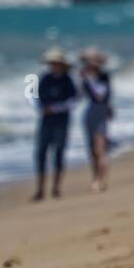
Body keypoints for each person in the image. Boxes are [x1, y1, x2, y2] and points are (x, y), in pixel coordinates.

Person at [32, 48, 77, 201]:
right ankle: (40, 189)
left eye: (56, 63)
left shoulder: (67, 80)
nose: (53, 65)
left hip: (61, 121)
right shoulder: (45, 78)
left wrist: (55, 108)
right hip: (46, 120)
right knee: (41, 153)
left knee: (59, 152)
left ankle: (56, 188)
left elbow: (73, 101)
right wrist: (41, 108)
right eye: (51, 63)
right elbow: (34, 97)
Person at [78, 48, 114, 192]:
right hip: (90, 111)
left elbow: (101, 95)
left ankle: (101, 180)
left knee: (100, 149)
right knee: (92, 150)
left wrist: (88, 79)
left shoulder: (103, 76)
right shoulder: (83, 77)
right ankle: (95, 178)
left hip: (100, 112)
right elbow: (78, 96)